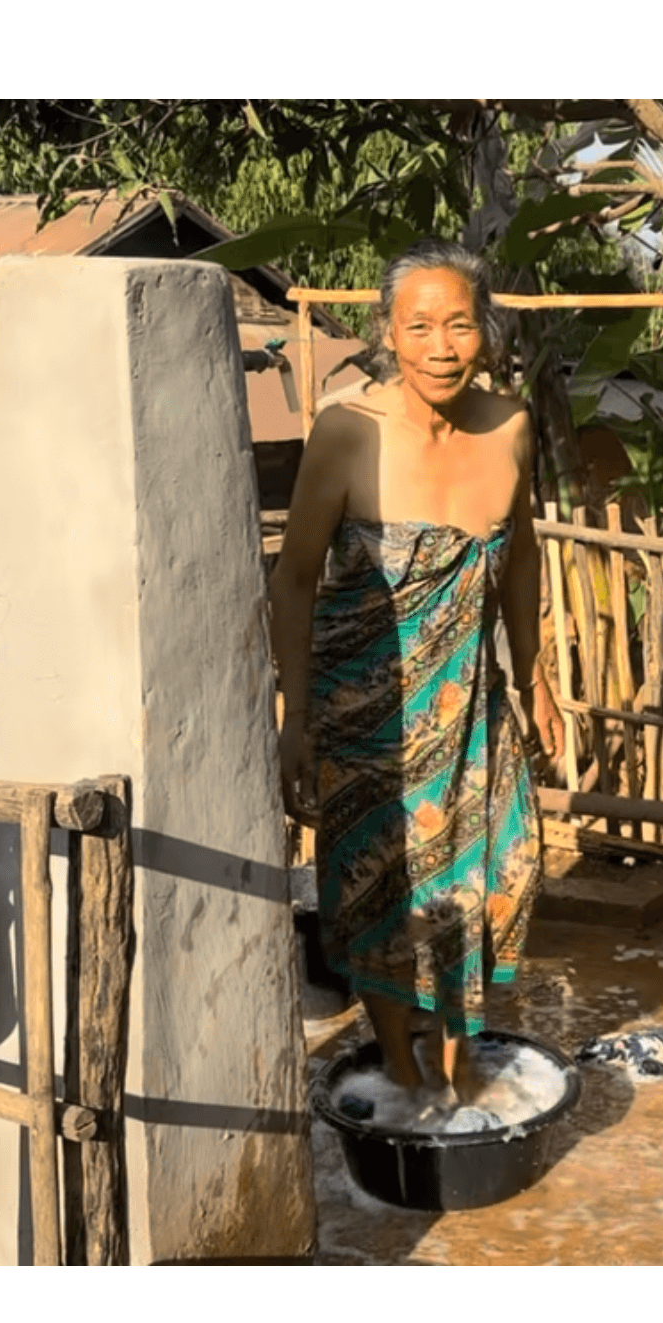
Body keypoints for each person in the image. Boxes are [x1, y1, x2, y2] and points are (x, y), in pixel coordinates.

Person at [268, 240, 567, 1110]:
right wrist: (296, 714)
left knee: (503, 873)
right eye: (420, 327)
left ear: (486, 332)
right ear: (389, 336)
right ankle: (408, 1068)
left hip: (472, 700)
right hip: (368, 710)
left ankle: (449, 1058)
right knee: (383, 890)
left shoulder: (509, 426)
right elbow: (293, 578)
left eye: (459, 325)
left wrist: (533, 678)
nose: (441, 346)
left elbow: (520, 560)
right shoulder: (347, 429)